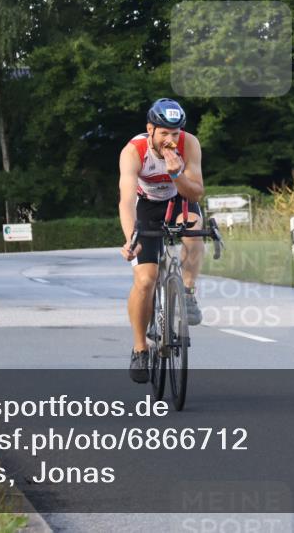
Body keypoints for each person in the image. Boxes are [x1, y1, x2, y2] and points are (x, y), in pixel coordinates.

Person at [118, 98, 205, 384]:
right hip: (147, 207)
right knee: (145, 280)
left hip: (180, 199)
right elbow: (127, 200)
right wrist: (131, 238)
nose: (170, 140)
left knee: (194, 230)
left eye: (175, 134)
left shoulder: (188, 144)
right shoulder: (134, 151)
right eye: (164, 133)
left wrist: (176, 173)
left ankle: (188, 292)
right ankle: (140, 346)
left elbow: (196, 193)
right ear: (150, 129)